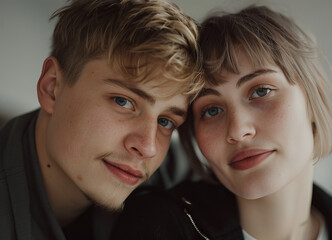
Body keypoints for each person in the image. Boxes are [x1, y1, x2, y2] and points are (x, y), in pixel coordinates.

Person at [111, 5, 332, 240]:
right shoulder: (157, 225)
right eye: (211, 110)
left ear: (314, 96)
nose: (238, 131)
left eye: (261, 91)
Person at [0, 0, 203, 239]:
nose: (147, 147)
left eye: (165, 121)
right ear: (52, 87)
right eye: (122, 101)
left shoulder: (167, 172)